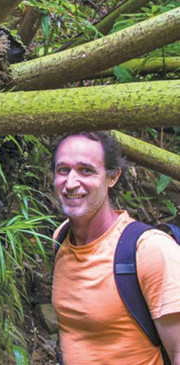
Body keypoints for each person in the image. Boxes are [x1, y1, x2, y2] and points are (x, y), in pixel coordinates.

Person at [51, 131, 180, 365]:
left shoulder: (150, 250)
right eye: (63, 170)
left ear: (113, 177)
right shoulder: (61, 238)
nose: (70, 183)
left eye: (86, 170)